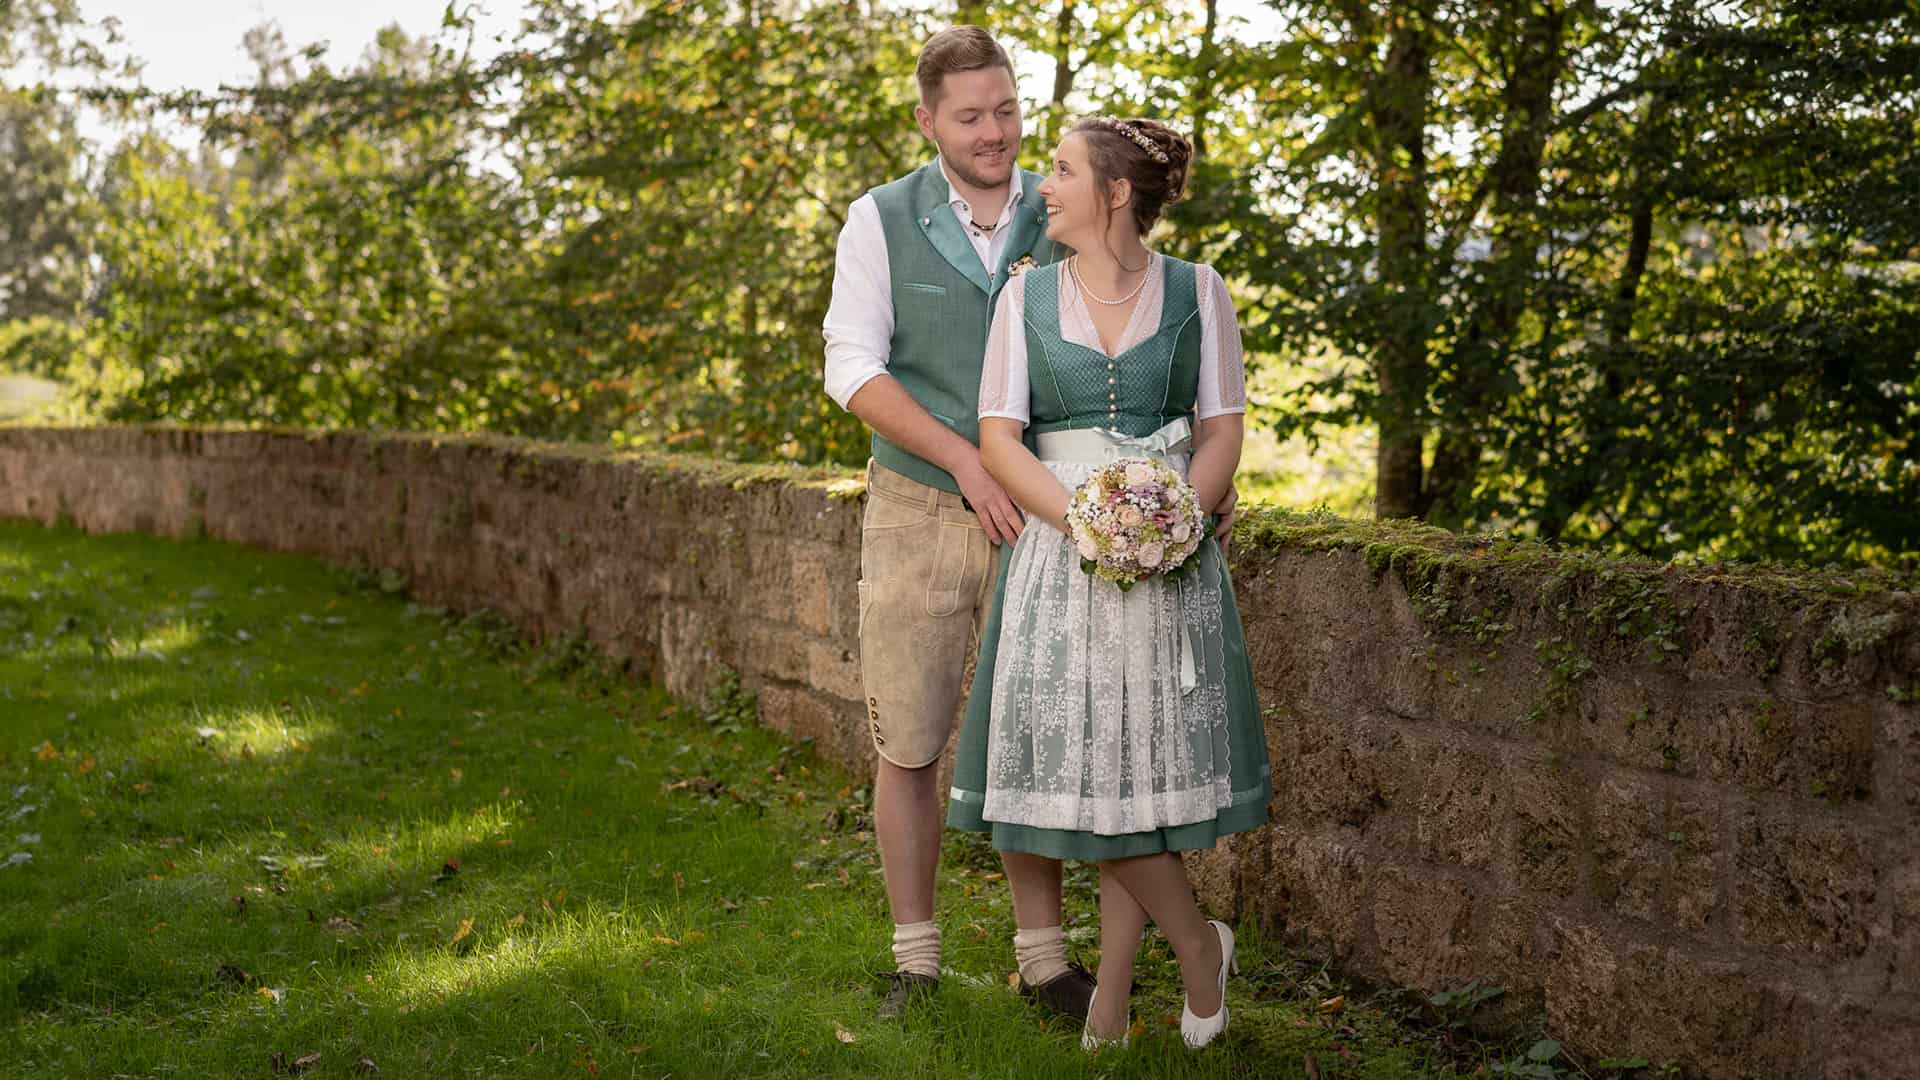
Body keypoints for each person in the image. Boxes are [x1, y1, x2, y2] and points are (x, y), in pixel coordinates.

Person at [945, 115, 1273, 1051]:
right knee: (1094, 775)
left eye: (1060, 170)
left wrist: (1171, 523)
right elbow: (1000, 437)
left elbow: (1220, 431)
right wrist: (1085, 521)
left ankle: (1113, 996)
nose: (1042, 185)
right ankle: (1199, 947)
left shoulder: (1200, 292)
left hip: (1171, 565)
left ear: (1116, 193)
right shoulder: (1025, 299)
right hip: (1062, 556)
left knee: (1137, 781)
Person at [821, 25, 1093, 1023]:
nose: (995, 133)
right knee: (912, 738)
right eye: (970, 116)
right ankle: (916, 961)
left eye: (1007, 110)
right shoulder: (880, 217)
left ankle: (1045, 962)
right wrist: (962, 458)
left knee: (1031, 735)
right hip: (917, 506)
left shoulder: (1061, 206)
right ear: (929, 118)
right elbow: (852, 365)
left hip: (1040, 514)